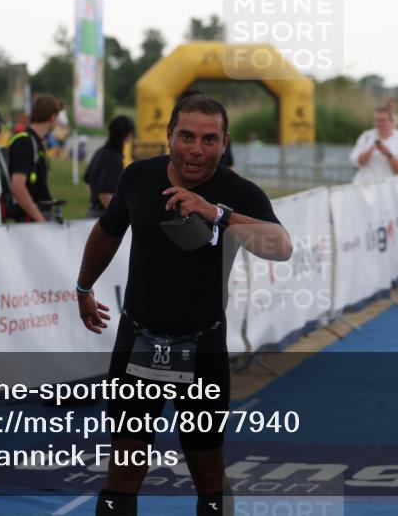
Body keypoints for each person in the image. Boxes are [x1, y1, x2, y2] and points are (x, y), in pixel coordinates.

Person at [74, 94, 292, 516]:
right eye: (186, 136)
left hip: (203, 349)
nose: (196, 149)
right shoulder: (138, 177)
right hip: (138, 342)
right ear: (168, 135)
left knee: (208, 471)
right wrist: (84, 287)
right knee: (124, 468)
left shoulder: (238, 192)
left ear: (224, 142)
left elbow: (281, 246)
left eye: (209, 139)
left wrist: (217, 214)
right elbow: (107, 230)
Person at [7, 94, 62, 223]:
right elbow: (17, 186)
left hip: (37, 215)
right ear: (52, 117)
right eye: (57, 117)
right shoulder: (25, 142)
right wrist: (40, 220)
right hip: (31, 220)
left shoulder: (36, 142)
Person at [83, 115, 135, 218]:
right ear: (128, 134)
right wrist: (119, 215)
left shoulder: (101, 151)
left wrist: (94, 198)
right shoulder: (113, 158)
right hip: (103, 215)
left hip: (93, 211)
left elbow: (87, 181)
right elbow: (104, 193)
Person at [348, 106, 398, 183]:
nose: (380, 124)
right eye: (378, 120)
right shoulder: (366, 136)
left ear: (392, 122)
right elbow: (354, 161)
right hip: (364, 187)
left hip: (388, 188)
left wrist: (389, 154)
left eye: (384, 120)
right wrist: (370, 150)